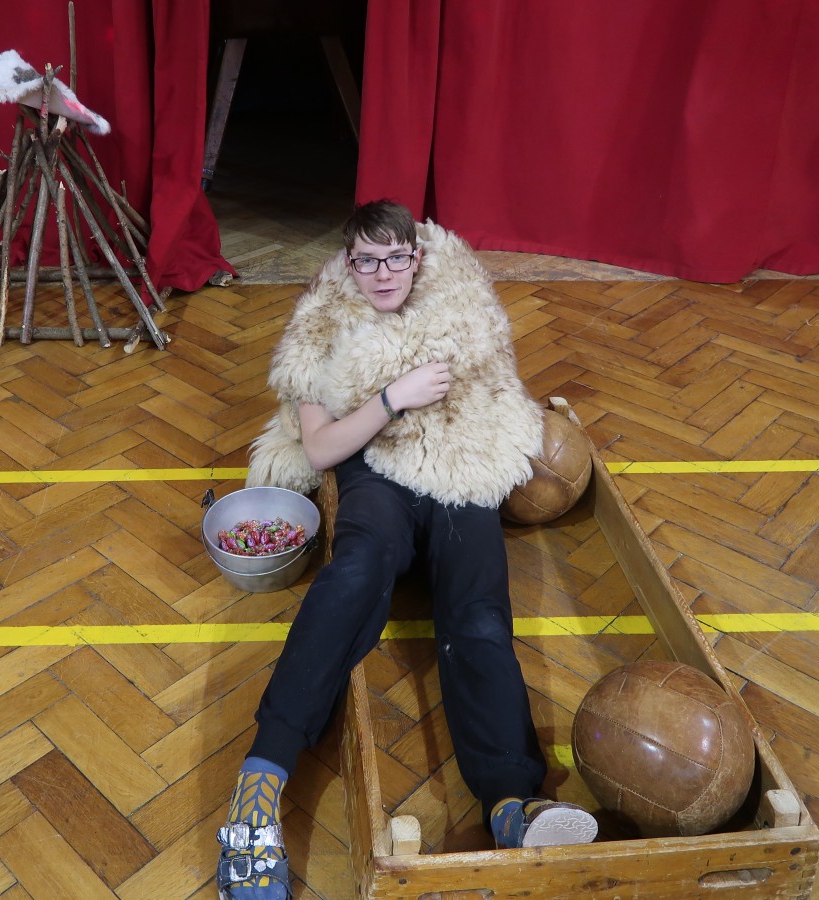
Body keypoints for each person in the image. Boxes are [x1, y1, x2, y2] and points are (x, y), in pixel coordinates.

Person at [216, 200, 597, 898]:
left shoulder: (458, 305)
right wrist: (393, 396)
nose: (384, 273)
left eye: (397, 258)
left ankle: (512, 803)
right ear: (349, 261)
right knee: (357, 569)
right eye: (368, 260)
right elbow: (321, 448)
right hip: (377, 470)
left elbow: (496, 391)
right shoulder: (321, 326)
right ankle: (258, 787)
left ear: (417, 258)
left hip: (458, 467)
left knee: (478, 616)